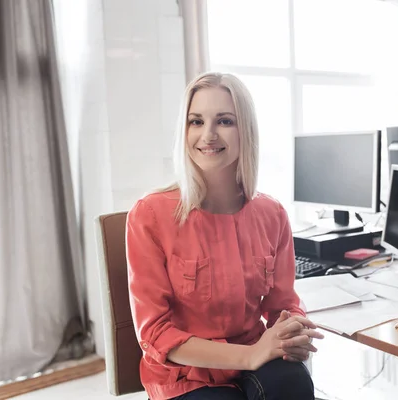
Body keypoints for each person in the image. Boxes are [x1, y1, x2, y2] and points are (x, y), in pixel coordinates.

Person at [126, 72, 324, 400]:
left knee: (294, 383)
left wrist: (292, 329)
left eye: (225, 121)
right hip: (185, 374)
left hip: (254, 354)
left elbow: (283, 302)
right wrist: (250, 356)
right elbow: (156, 333)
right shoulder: (149, 215)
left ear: (245, 128)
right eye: (196, 121)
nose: (208, 135)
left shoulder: (272, 214)